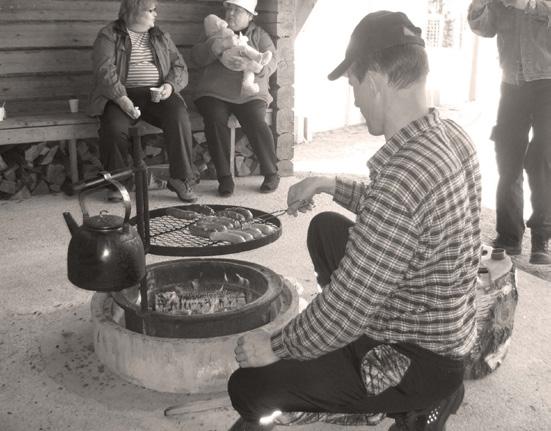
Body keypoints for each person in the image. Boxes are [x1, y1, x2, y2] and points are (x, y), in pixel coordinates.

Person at [227, 11, 482, 431]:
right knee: (326, 228)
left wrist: (274, 345)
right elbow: (402, 218)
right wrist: (328, 182)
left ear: (377, 82)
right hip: (446, 329)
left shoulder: (403, 177)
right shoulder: (450, 136)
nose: (357, 99)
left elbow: (345, 310)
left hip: (415, 358)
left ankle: (421, 402)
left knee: (249, 387)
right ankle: (403, 376)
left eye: (354, 86)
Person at [88, 0, 197, 202]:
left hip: (157, 94)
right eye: (151, 10)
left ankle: (181, 179)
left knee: (179, 116)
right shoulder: (109, 34)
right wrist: (121, 99)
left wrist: (170, 86)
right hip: (120, 94)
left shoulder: (160, 36)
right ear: (134, 12)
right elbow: (104, 70)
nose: (156, 14)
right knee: (113, 127)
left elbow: (179, 65)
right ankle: (118, 182)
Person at [468, 0, 551, 264]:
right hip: (511, 83)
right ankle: (509, 237)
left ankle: (542, 237)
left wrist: (526, 4)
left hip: (547, 81)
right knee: (508, 159)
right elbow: (483, 28)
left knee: (541, 159)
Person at [191, 0, 279, 197]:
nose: (230, 13)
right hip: (213, 91)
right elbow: (196, 58)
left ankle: (271, 172)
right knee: (214, 118)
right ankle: (224, 177)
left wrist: (258, 68)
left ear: (250, 15)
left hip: (250, 92)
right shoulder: (215, 31)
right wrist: (217, 47)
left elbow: (271, 60)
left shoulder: (259, 35)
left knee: (256, 120)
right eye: (228, 8)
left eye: (237, 10)